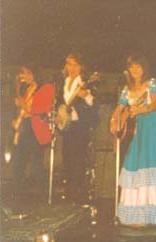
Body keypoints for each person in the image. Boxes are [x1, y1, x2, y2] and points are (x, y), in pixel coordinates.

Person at [110, 54, 156, 226]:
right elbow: (119, 108)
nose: (135, 69)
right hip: (133, 130)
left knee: (148, 162)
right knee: (132, 163)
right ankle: (134, 216)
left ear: (144, 68)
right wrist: (114, 120)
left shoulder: (151, 83)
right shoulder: (126, 88)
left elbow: (154, 105)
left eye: (138, 66)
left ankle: (150, 216)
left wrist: (139, 110)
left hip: (150, 125)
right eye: (131, 67)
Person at [57, 53, 98, 204]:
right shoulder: (65, 81)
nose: (72, 68)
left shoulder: (86, 82)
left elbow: (93, 104)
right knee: (67, 160)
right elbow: (62, 103)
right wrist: (59, 114)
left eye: (75, 64)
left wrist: (86, 96)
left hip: (80, 126)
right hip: (68, 127)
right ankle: (70, 195)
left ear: (81, 67)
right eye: (69, 64)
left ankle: (80, 197)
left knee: (78, 161)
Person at [11, 64, 55, 200]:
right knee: (18, 161)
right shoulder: (28, 89)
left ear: (33, 73)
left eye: (25, 73)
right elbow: (24, 110)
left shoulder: (46, 88)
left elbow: (40, 110)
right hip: (25, 126)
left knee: (36, 164)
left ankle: (44, 196)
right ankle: (17, 193)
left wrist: (22, 104)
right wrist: (17, 119)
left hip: (36, 129)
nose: (22, 76)